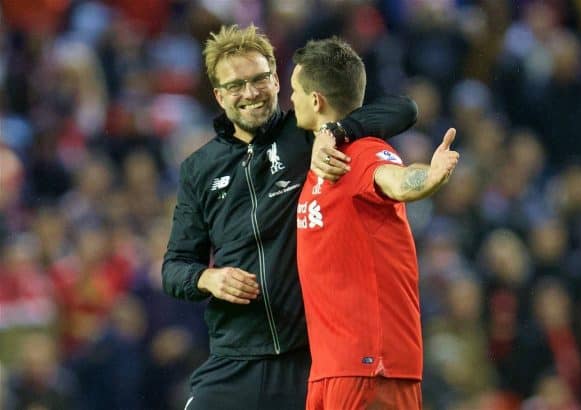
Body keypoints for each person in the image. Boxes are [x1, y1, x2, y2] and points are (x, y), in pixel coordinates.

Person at [161, 25, 418, 410]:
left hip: (307, 358)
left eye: (259, 79)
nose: (250, 93)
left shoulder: (304, 135)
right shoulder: (199, 169)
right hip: (234, 359)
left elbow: (404, 108)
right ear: (218, 95)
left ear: (277, 81)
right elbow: (174, 266)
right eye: (235, 85)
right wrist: (207, 277)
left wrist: (335, 131)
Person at [292, 37, 459, 409]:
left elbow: (393, 179)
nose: (290, 100)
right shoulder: (318, 158)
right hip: (332, 366)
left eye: (294, 91)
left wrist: (426, 180)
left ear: (316, 100)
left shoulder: (362, 151)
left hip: (372, 365)